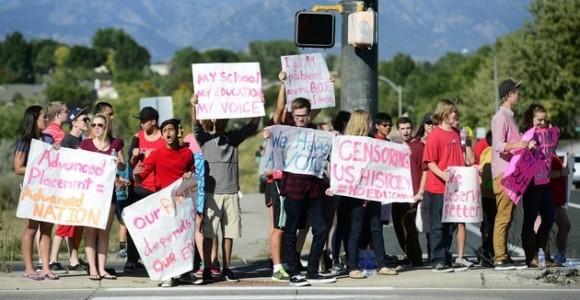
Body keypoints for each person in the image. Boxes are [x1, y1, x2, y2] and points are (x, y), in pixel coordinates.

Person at [191, 93, 262, 284]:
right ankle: (206, 268)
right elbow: (195, 125)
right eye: (215, 116)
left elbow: (252, 127)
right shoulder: (204, 139)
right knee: (208, 233)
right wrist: (194, 106)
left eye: (222, 116)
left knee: (229, 233)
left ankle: (227, 268)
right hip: (211, 194)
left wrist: (258, 107)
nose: (218, 120)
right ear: (209, 118)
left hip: (231, 192)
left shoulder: (233, 138)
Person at [267, 97, 336, 287]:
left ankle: (313, 271)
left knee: (321, 228)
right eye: (297, 116)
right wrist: (269, 136)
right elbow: (274, 131)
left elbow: (326, 151)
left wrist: (333, 138)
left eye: (304, 115)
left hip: (313, 189)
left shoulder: (316, 131)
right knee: (290, 230)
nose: (301, 119)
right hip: (293, 188)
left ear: (308, 114)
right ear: (293, 115)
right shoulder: (286, 131)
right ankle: (294, 273)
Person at [330, 110, 398, 279]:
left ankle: (382, 264)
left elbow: (386, 161)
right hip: (354, 193)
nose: (370, 124)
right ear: (361, 123)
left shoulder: (374, 142)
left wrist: (403, 153)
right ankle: (352, 266)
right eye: (368, 121)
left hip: (373, 191)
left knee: (376, 228)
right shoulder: (346, 143)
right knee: (356, 228)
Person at [132, 119, 195, 287]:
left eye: (171, 130)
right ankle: (169, 274)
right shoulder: (156, 154)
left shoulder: (187, 153)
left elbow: (193, 176)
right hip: (163, 204)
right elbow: (140, 178)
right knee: (166, 238)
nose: (168, 133)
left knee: (182, 237)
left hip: (182, 202)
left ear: (177, 132)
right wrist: (135, 173)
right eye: (165, 130)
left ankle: (184, 272)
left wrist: (189, 176)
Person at [491, 79, 534, 271]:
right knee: (503, 217)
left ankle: (504, 255)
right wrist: (519, 144)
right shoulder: (500, 117)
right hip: (504, 174)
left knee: (508, 217)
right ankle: (500, 257)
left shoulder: (510, 117)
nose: (519, 94)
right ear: (509, 94)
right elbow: (498, 145)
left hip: (512, 173)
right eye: (517, 91)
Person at [79, 113, 126, 280]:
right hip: (90, 194)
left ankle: (102, 268)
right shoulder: (85, 145)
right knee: (90, 232)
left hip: (108, 194)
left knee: (104, 233)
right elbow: (75, 164)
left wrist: (117, 163)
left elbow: (122, 164)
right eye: (94, 125)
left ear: (107, 128)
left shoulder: (115, 143)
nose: (96, 128)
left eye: (100, 125)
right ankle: (93, 269)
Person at [15, 105, 57, 281]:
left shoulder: (48, 138)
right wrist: (38, 169)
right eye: (43, 117)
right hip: (32, 192)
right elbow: (18, 168)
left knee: (47, 230)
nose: (46, 120)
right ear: (34, 119)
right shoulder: (24, 142)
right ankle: (29, 268)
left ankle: (46, 268)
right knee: (31, 229)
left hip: (49, 191)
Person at [423, 99, 465, 273]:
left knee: (450, 225)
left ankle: (447, 257)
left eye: (455, 111)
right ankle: (437, 260)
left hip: (455, 188)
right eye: (451, 112)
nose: (455, 114)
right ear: (443, 114)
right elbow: (430, 162)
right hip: (438, 188)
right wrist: (442, 175)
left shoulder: (456, 133)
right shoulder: (435, 135)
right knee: (438, 225)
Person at [122, 106, 165, 273]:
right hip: (138, 188)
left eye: (144, 121)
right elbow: (131, 163)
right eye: (140, 120)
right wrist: (133, 157)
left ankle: (157, 258)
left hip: (157, 189)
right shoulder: (137, 137)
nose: (141, 124)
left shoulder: (164, 138)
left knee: (156, 226)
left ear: (153, 122)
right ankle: (132, 259)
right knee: (134, 224)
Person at [48, 107, 90, 273]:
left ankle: (73, 260)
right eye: (84, 120)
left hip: (79, 189)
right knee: (64, 226)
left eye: (88, 120)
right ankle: (53, 260)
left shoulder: (84, 142)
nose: (87, 122)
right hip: (67, 189)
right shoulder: (66, 141)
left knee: (76, 226)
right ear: (74, 123)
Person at [519, 104, 556, 268]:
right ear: (530, 119)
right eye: (539, 120)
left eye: (544, 119)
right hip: (531, 182)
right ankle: (531, 256)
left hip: (544, 180)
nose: (542, 122)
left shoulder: (546, 133)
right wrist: (529, 149)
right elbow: (518, 159)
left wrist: (552, 131)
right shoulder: (525, 135)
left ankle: (542, 251)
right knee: (530, 217)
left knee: (549, 216)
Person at [393, 116, 423, 267]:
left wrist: (420, 192)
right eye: (402, 128)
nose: (405, 131)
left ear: (412, 129)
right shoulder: (395, 147)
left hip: (412, 194)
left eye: (408, 128)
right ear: (398, 130)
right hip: (397, 195)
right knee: (399, 226)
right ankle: (408, 255)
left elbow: (424, 170)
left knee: (409, 228)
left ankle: (415, 259)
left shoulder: (418, 146)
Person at [474, 131, 496, 267]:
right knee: (489, 225)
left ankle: (488, 250)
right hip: (489, 195)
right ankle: (486, 251)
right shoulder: (490, 153)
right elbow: (487, 175)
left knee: (492, 225)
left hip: (491, 194)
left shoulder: (491, 152)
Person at [415, 113, 434, 261]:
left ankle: (434, 252)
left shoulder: (439, 140)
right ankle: (415, 254)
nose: (431, 126)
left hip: (436, 185)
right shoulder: (417, 143)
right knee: (420, 221)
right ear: (424, 125)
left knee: (436, 221)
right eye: (428, 123)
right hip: (422, 187)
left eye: (433, 123)